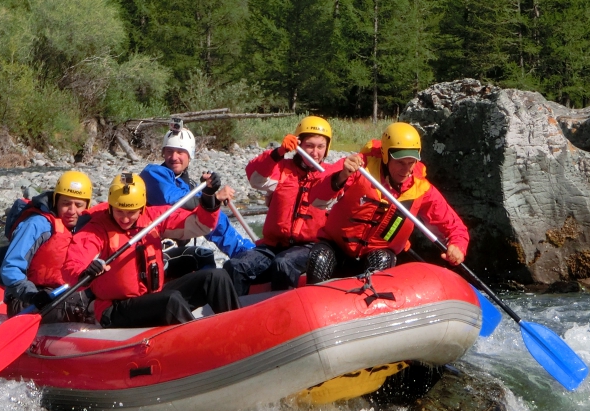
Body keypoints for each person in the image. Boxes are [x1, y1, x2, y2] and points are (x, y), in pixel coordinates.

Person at [62, 171, 242, 328]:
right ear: (111, 206)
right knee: (170, 300)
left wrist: (209, 198)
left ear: (141, 207)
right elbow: (72, 265)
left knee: (216, 277)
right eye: (119, 211)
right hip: (115, 309)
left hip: (151, 296)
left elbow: (200, 225)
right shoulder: (96, 229)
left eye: (131, 212)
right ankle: (201, 343)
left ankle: (237, 328)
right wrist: (85, 272)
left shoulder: (152, 218)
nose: (125, 219)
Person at [307, 122, 468, 283]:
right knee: (320, 258)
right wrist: (341, 176)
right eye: (400, 162)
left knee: (381, 260)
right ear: (385, 156)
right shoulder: (360, 166)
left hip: (376, 254)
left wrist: (458, 245)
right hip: (337, 248)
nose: (406, 170)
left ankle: (371, 295)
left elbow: (454, 226)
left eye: (411, 162)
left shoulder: (421, 188)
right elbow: (315, 197)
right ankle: (312, 293)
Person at [222, 115, 345, 295]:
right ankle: (236, 309)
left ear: (327, 149)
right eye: (309, 146)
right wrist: (278, 152)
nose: (314, 153)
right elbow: (255, 178)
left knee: (284, 263)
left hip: (311, 246)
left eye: (320, 147)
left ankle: (284, 309)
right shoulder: (282, 169)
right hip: (274, 245)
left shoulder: (331, 176)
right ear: (299, 145)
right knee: (235, 266)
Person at [140, 121, 254, 278]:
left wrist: (209, 194)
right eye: (169, 151)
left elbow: (214, 222)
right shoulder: (152, 174)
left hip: (172, 251)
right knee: (203, 257)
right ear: (163, 153)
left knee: (209, 253)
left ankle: (247, 253)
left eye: (180, 152)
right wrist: (213, 198)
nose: (174, 157)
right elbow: (174, 199)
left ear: (190, 155)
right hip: (149, 251)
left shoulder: (190, 186)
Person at [0, 170, 94, 320]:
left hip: (63, 292)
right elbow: (10, 267)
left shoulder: (88, 227)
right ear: (56, 201)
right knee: (90, 309)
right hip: (29, 299)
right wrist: (32, 295)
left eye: (78, 205)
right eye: (66, 203)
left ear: (87, 205)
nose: (72, 211)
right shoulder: (37, 224)